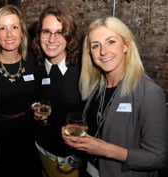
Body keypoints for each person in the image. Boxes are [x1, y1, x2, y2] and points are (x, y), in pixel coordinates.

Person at [61, 16, 168, 177]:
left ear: (125, 45)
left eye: (111, 41)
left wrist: (105, 149)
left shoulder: (149, 93)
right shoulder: (96, 87)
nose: (103, 51)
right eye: (96, 46)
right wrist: (79, 137)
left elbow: (158, 158)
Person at [0, 4, 42, 177]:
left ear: (22, 32)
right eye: (2, 28)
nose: (9, 34)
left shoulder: (34, 61)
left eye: (14, 27)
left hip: (30, 137)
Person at [31, 6, 84, 177]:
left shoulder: (82, 70)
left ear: (69, 36)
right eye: (46, 31)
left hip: (69, 161)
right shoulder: (36, 66)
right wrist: (34, 107)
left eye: (59, 32)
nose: (52, 39)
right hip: (40, 151)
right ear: (39, 35)